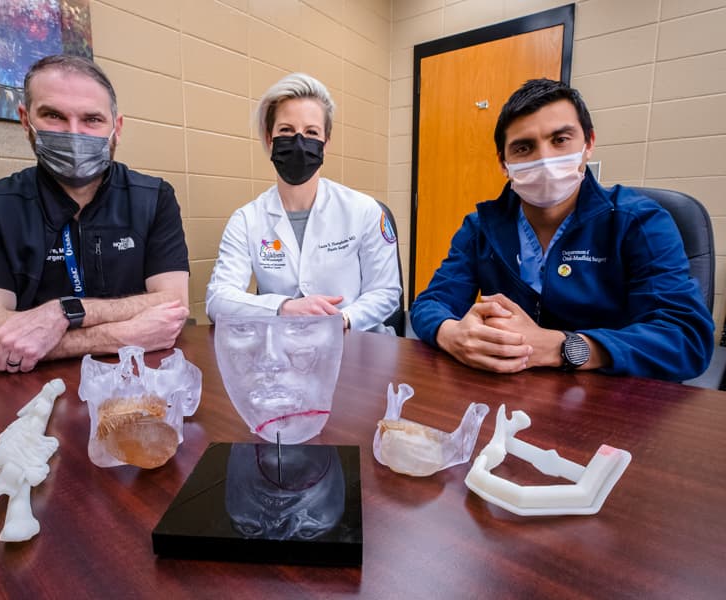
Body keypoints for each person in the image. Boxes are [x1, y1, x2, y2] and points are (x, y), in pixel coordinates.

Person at [410, 78, 713, 381]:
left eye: (560, 140)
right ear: (504, 163)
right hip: (508, 396)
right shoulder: (480, 227)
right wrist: (452, 334)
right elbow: (430, 303)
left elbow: (686, 338)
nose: (544, 159)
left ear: (588, 143)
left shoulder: (638, 222)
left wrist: (564, 347)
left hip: (610, 402)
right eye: (524, 147)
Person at [0, 55, 190, 373]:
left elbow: (173, 304)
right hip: (25, 385)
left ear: (116, 128)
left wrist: (61, 313)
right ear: (26, 120)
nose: (74, 134)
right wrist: (120, 335)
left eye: (92, 119)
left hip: (132, 380)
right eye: (54, 116)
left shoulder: (154, 197)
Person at [205, 73, 401, 333]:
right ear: (268, 138)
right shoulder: (247, 219)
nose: (299, 142)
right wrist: (283, 307)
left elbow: (386, 292)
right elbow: (218, 300)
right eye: (286, 130)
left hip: (354, 343)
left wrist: (341, 319)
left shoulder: (363, 210)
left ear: (325, 143)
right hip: (280, 350)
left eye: (311, 132)